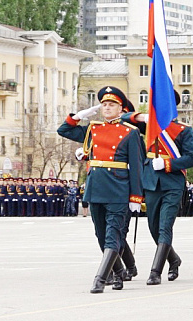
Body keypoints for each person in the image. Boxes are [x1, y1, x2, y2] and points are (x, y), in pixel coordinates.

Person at [58, 86, 144, 294]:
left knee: (113, 234)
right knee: (100, 233)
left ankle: (100, 278)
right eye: (104, 104)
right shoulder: (93, 129)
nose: (107, 108)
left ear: (121, 109)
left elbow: (137, 166)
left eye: (111, 104)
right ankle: (118, 272)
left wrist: (135, 196)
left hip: (118, 188)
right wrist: (78, 116)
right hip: (96, 187)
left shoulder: (130, 133)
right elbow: (64, 130)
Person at [123, 90, 193, 285]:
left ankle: (156, 271)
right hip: (150, 182)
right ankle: (173, 259)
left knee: (165, 227)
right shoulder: (147, 126)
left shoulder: (183, 130)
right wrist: (142, 116)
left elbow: (191, 158)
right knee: (154, 228)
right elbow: (122, 117)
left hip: (172, 183)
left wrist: (168, 164)